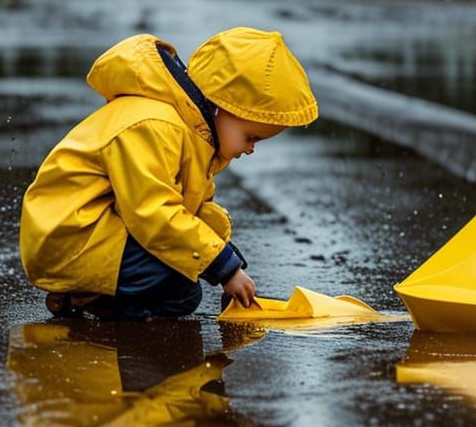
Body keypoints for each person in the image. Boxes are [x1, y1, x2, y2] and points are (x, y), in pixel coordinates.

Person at [19, 27, 318, 319]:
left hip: (95, 230)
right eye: (251, 136)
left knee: (184, 281)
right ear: (221, 108)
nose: (251, 149)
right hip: (68, 237)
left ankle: (85, 293)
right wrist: (223, 268)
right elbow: (154, 213)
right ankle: (89, 297)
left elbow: (193, 209)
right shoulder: (155, 126)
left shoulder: (193, 133)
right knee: (179, 287)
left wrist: (227, 256)